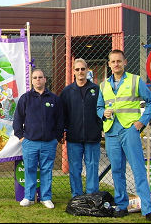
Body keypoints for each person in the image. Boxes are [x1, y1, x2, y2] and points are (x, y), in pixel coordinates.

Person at [97, 49, 151, 221]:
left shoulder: (135, 81)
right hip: (112, 132)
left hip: (130, 130)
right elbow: (99, 107)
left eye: (119, 61)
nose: (116, 64)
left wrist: (142, 122)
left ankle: (147, 208)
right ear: (109, 64)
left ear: (125, 62)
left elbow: (150, 101)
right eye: (113, 62)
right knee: (117, 170)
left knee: (138, 169)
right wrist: (103, 113)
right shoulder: (104, 85)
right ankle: (122, 206)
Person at [13, 68, 64, 209]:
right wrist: (21, 136)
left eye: (40, 77)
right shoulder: (25, 98)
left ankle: (45, 197)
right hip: (30, 142)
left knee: (47, 170)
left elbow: (60, 121)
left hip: (49, 143)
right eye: (35, 77)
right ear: (32, 80)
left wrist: (56, 138)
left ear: (45, 79)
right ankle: (28, 197)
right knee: (29, 169)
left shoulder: (54, 99)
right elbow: (18, 119)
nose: (38, 80)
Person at [60, 58, 102, 198]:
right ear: (73, 72)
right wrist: (63, 132)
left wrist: (99, 128)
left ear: (87, 69)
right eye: (77, 69)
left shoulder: (96, 89)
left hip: (92, 137)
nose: (80, 72)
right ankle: (76, 196)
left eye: (82, 69)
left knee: (92, 167)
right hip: (74, 138)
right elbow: (62, 115)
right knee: (75, 169)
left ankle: (92, 195)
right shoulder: (67, 91)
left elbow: (101, 110)